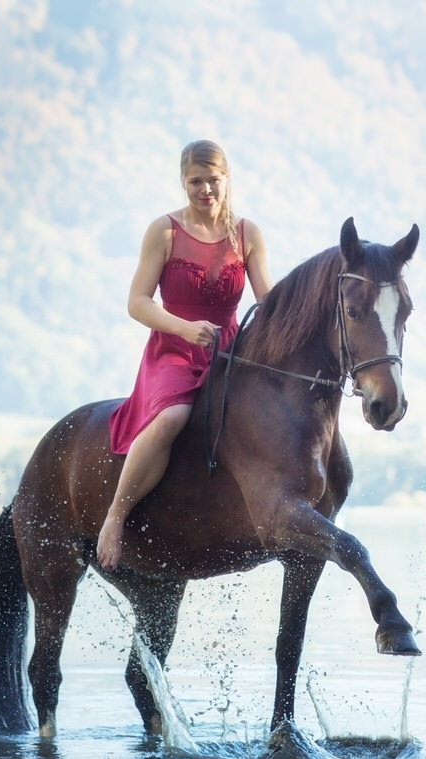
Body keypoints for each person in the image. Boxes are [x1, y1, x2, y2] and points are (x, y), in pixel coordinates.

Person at [96, 140, 272, 571]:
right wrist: (186, 329)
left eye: (213, 180)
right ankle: (115, 518)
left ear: (227, 179)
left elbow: (269, 301)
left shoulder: (248, 233)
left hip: (230, 351)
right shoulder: (164, 231)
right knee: (173, 418)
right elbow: (137, 302)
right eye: (196, 181)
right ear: (182, 182)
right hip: (173, 346)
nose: (205, 190)